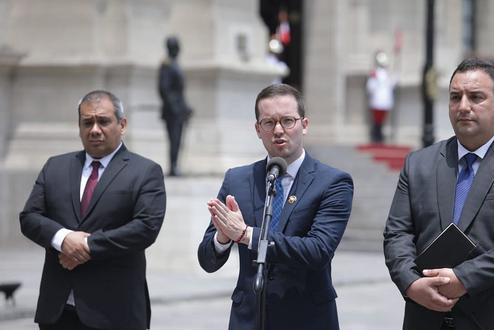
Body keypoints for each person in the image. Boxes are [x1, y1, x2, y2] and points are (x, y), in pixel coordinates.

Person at [383, 58, 494, 330]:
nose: (463, 106)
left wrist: (464, 278)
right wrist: (411, 282)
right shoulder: (418, 164)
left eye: (476, 97)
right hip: (426, 318)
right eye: (455, 97)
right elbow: (397, 233)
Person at [197, 83, 354, 330]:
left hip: (306, 318)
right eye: (269, 123)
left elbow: (318, 250)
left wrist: (247, 235)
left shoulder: (332, 182)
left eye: (288, 121)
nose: (278, 130)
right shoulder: (237, 180)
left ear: (305, 124)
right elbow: (207, 260)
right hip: (248, 318)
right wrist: (222, 237)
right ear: (258, 129)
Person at [20, 90, 166, 330]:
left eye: (103, 121)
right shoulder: (55, 167)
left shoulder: (145, 171)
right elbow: (30, 218)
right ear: (79, 127)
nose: (95, 129)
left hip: (116, 312)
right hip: (58, 312)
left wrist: (87, 246)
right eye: (87, 122)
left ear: (122, 124)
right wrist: (63, 239)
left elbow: (145, 228)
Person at [158, 36, 193, 176]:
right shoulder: (166, 65)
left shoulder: (175, 64)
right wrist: (176, 108)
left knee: (178, 139)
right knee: (174, 139)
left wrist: (186, 107)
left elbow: (179, 92)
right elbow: (164, 89)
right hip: (172, 111)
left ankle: (175, 165)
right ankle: (173, 166)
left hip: (179, 109)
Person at [366, 50, 397, 143]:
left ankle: (379, 135)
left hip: (385, 99)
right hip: (377, 99)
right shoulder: (375, 74)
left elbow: (391, 84)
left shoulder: (387, 74)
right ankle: (376, 135)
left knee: (381, 120)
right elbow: (370, 86)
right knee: (377, 120)